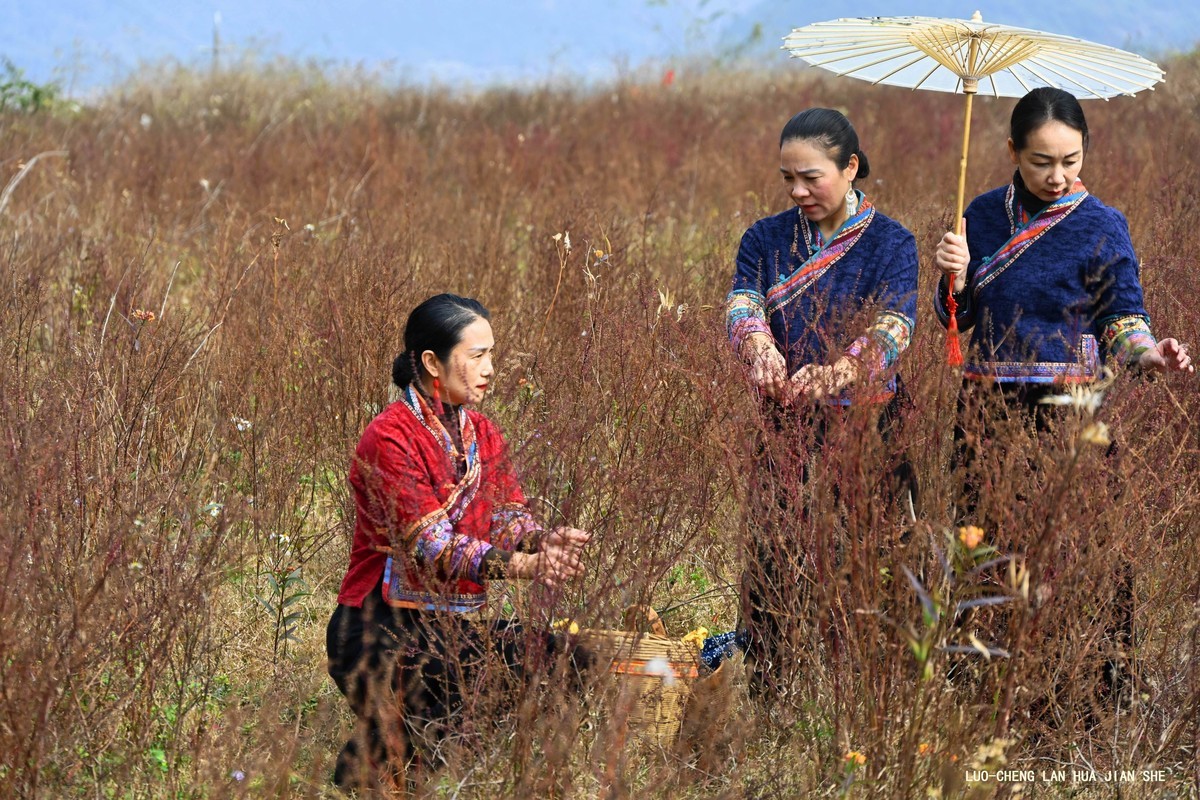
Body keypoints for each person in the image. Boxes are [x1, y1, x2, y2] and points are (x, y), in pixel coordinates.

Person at [932, 87, 1193, 698]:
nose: (1057, 176)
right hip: (987, 407)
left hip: (1072, 411)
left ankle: (1096, 689)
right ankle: (979, 686)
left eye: (1070, 160)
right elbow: (955, 319)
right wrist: (954, 276)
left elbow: (1122, 318)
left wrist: (1149, 353)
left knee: (1083, 545)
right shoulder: (980, 215)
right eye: (1041, 161)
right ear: (1012, 152)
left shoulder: (1102, 224)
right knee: (982, 542)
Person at [325, 293, 590, 790]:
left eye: (491, 354)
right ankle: (372, 766)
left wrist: (541, 541)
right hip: (376, 628)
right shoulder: (390, 436)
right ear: (432, 362)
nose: (490, 369)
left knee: (565, 658)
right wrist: (522, 567)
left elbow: (506, 517)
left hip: (441, 624)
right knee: (447, 698)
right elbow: (434, 544)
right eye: (477, 355)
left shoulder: (482, 433)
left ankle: (394, 755)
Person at [725, 108, 919, 694]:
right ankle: (772, 685)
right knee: (774, 549)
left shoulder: (892, 242)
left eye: (812, 177)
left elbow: (895, 325)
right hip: (785, 420)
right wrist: (759, 348)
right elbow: (743, 302)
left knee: (867, 555)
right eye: (788, 178)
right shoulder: (764, 238)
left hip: (868, 421)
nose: (798, 191)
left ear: (850, 167)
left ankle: (864, 692)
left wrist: (841, 372)